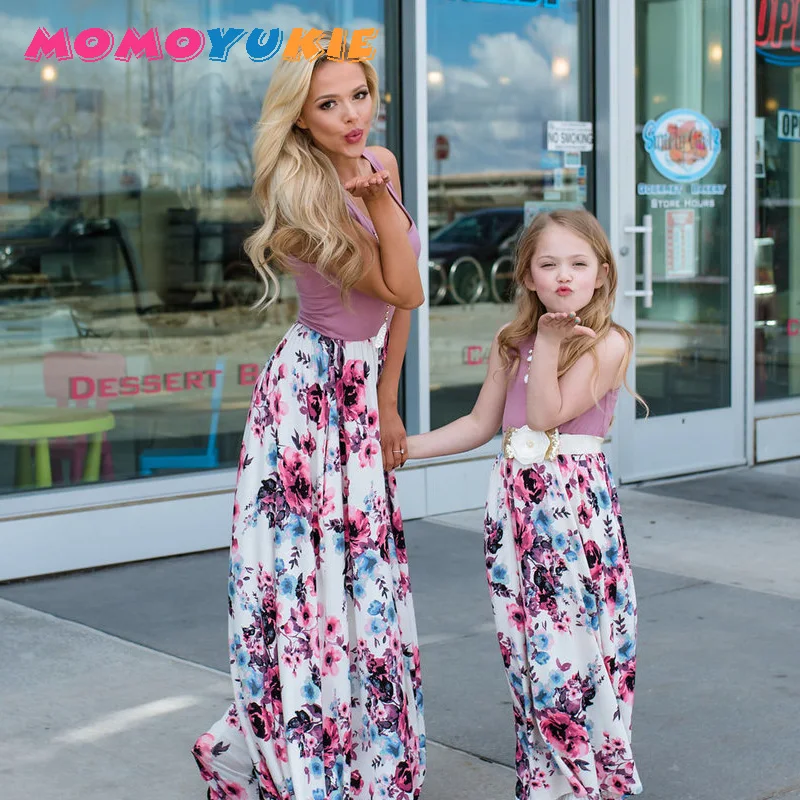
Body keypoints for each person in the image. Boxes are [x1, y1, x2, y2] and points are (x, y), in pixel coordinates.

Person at [193, 38, 426, 800]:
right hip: (309, 396)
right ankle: (281, 751)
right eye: (328, 104)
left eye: (359, 95)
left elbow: (399, 313)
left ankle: (366, 753)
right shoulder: (297, 193)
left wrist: (388, 400)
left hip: (360, 389)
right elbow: (404, 285)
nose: (352, 115)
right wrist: (382, 200)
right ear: (299, 116)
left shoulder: (378, 160)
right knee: (305, 581)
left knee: (362, 575)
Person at [406, 209, 644, 800]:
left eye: (578, 263)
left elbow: (544, 416)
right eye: (549, 263)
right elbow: (479, 423)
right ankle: (544, 780)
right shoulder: (511, 342)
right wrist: (400, 449)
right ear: (527, 275)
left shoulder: (609, 342)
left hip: (572, 510)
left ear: (602, 273)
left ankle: (588, 778)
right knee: (527, 649)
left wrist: (550, 342)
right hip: (516, 510)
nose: (564, 275)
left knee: (576, 646)